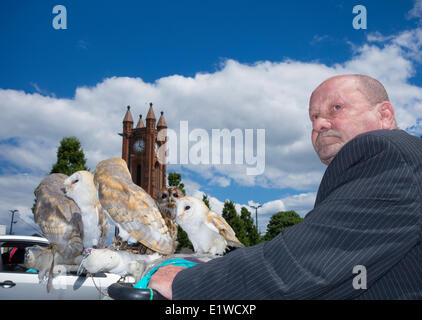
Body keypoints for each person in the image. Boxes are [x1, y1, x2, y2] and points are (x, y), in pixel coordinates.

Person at [149, 74, 422, 299]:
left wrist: (187, 284)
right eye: (313, 118)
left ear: (384, 114)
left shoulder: (385, 150)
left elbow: (307, 261)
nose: (319, 125)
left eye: (335, 109)